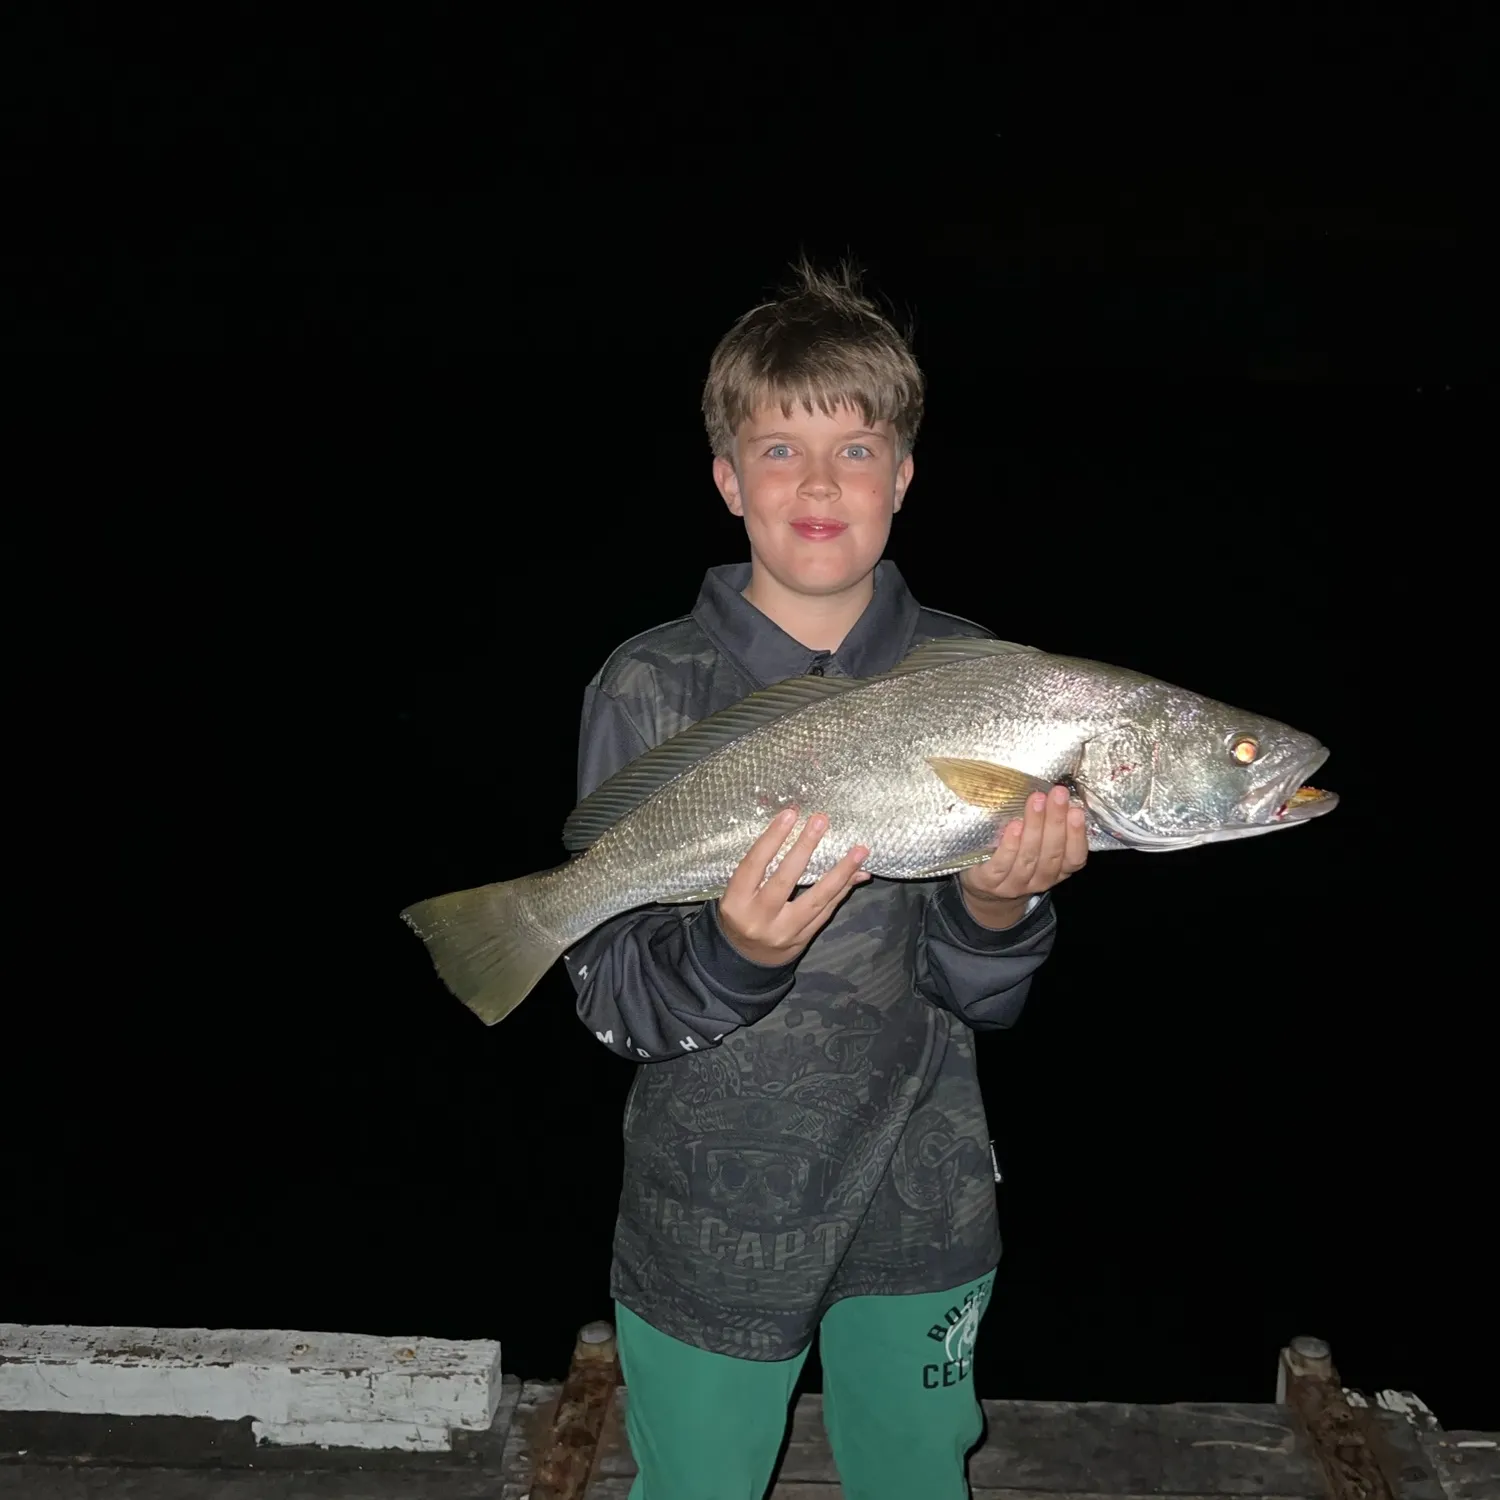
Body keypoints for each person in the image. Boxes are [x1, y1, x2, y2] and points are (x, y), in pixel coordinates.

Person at [564, 260, 1089, 1500]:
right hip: (712, 1205)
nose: (816, 482)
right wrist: (732, 953)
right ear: (727, 479)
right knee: (695, 1482)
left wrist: (1003, 904)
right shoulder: (648, 686)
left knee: (915, 1474)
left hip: (925, 1191)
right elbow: (612, 993)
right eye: (779, 448)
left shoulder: (982, 675)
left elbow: (984, 995)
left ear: (902, 479)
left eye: (854, 451)